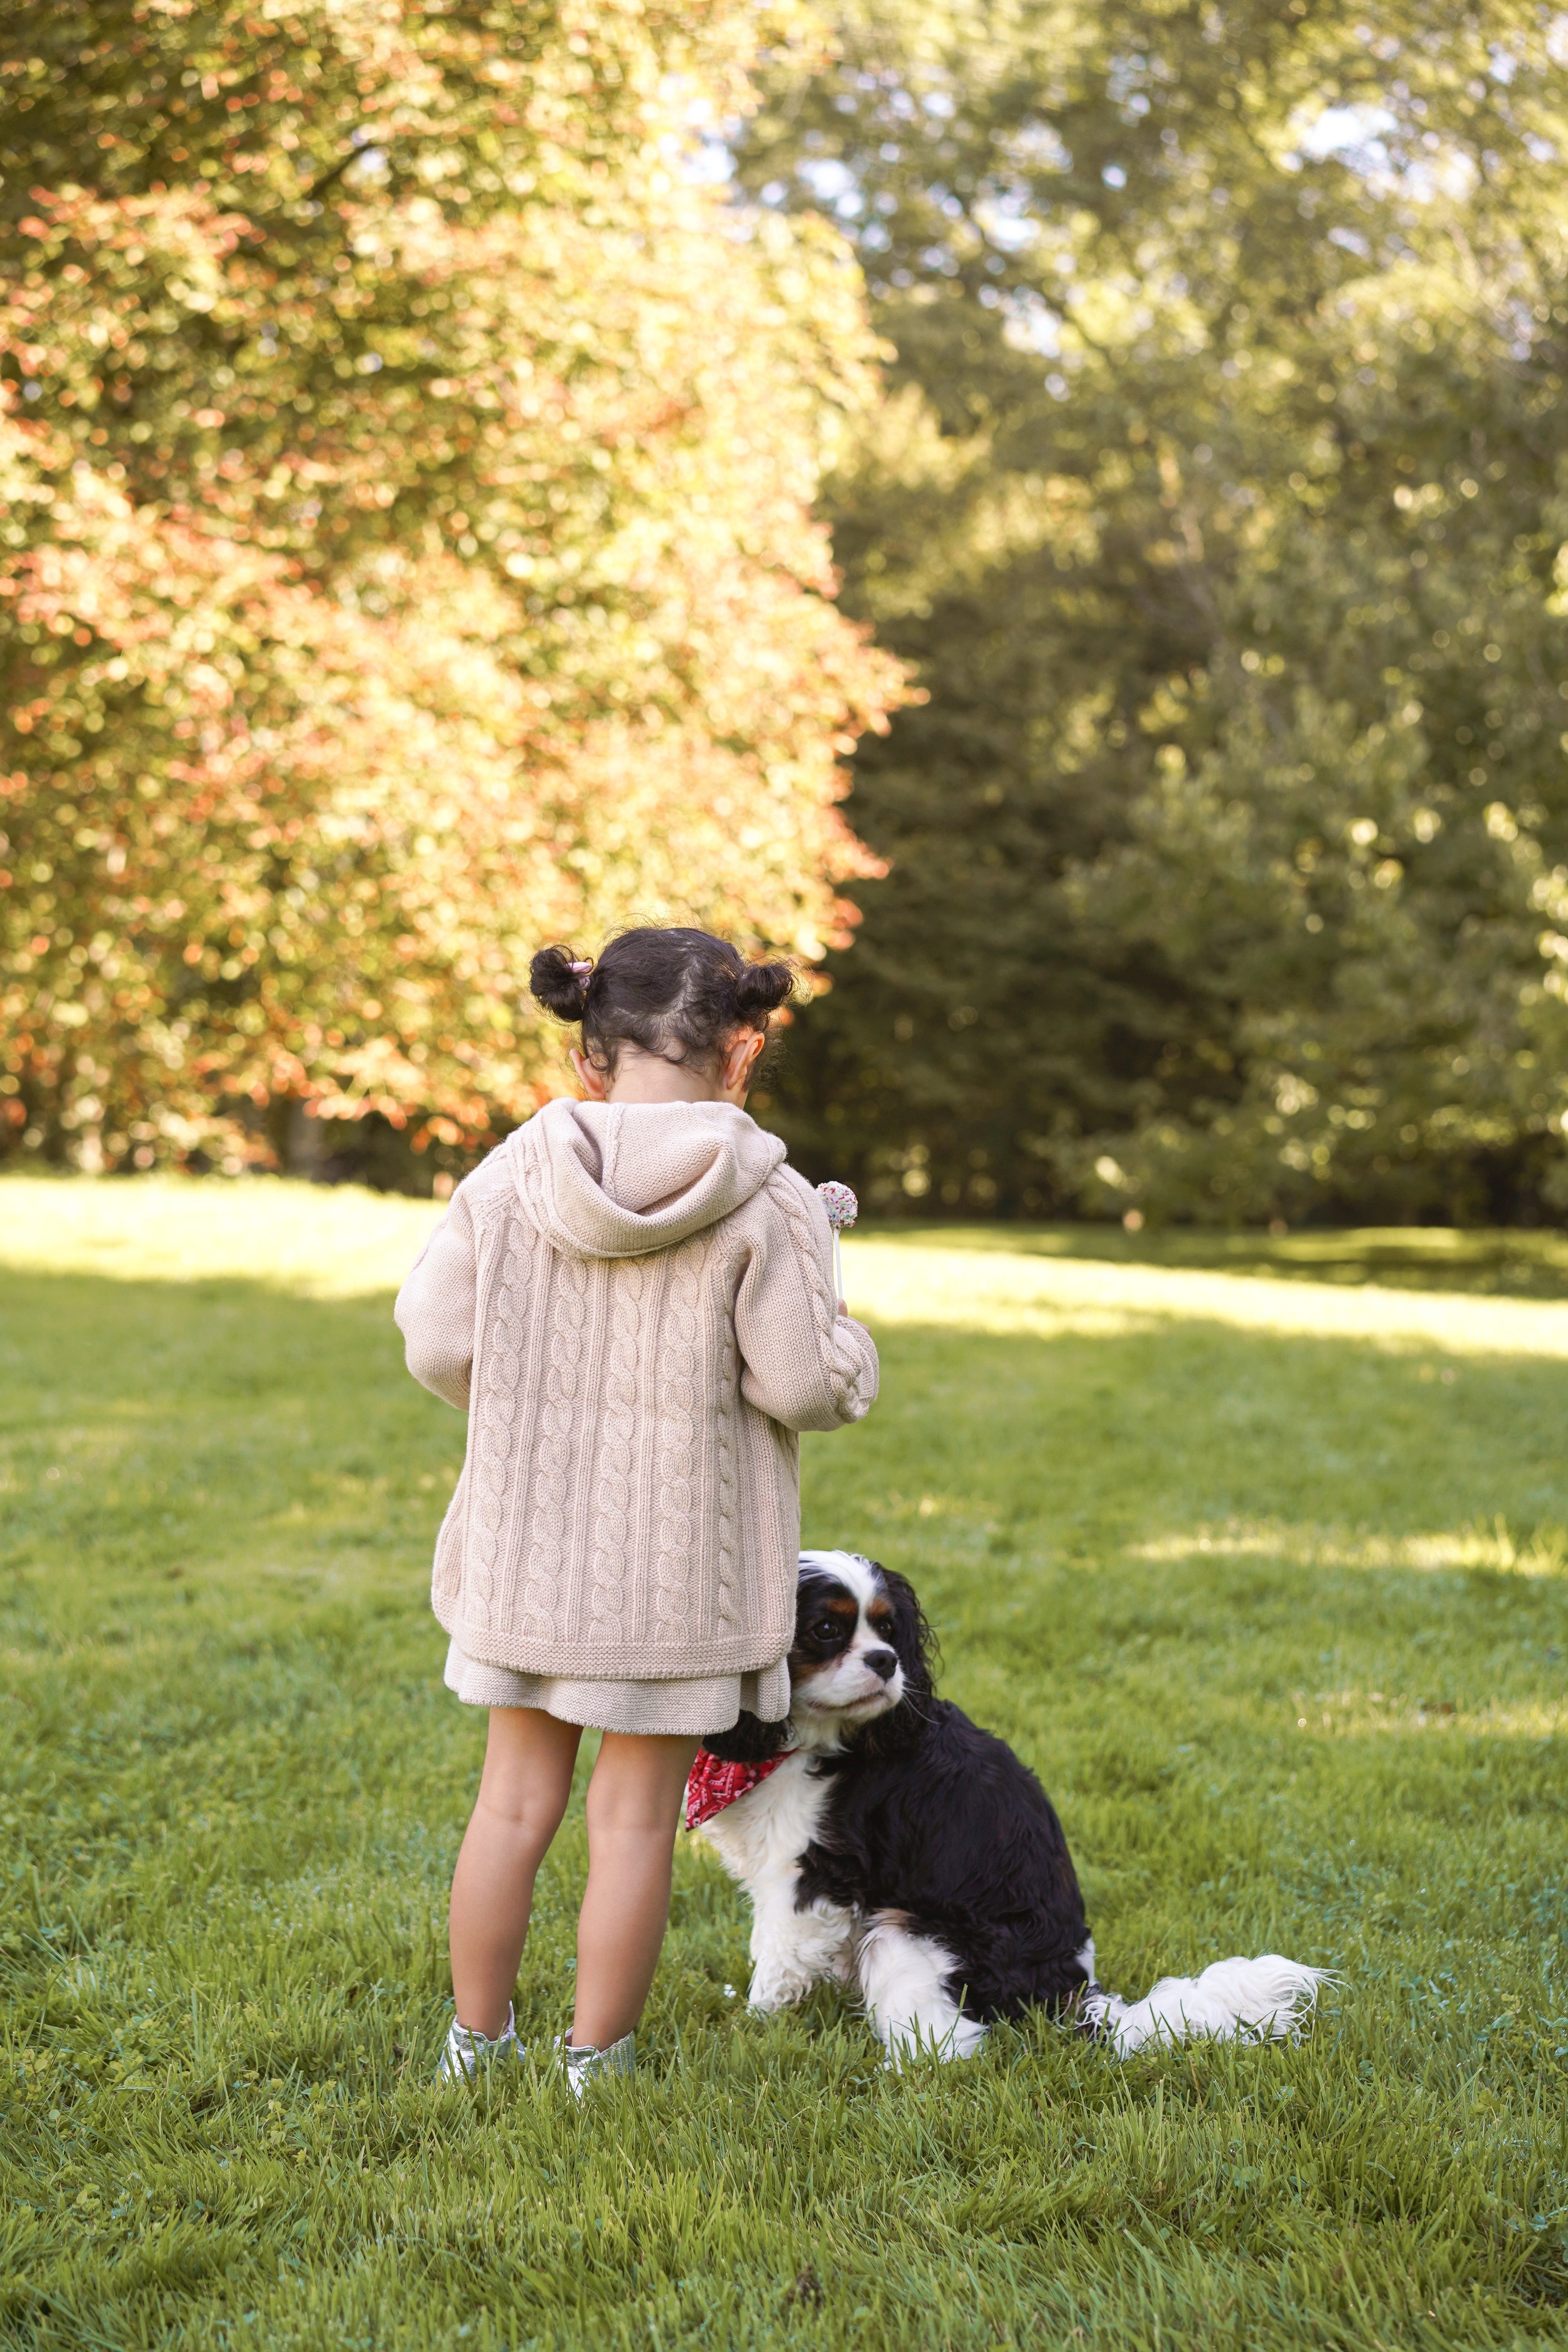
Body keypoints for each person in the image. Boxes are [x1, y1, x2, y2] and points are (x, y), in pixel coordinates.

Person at [394, 926, 879, 2092]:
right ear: (740, 1053)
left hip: (526, 1552)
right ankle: (593, 2060)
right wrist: (845, 1325)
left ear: (591, 1056)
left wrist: (521, 1399)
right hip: (676, 1576)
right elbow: (809, 1384)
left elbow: (435, 1339)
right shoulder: (765, 1197)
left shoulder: (509, 1175)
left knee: (511, 1806)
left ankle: (477, 2043)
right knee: (628, 1825)